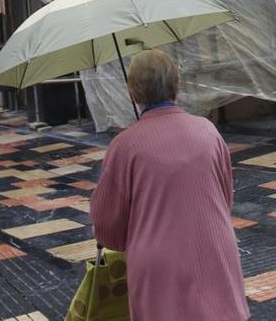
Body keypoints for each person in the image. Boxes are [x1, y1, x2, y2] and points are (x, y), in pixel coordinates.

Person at [90, 49, 250, 321]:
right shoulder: (208, 131)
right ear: (176, 86)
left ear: (133, 93)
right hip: (215, 254)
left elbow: (108, 228)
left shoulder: (125, 145)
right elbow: (225, 199)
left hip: (158, 269)